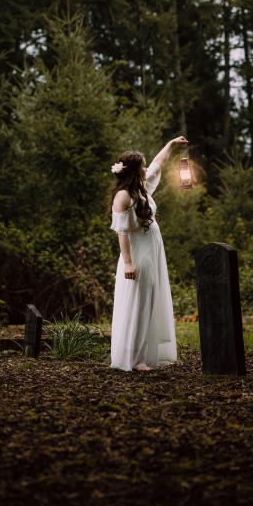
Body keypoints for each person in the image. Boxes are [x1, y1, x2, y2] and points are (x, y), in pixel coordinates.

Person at [108, 137, 188, 372]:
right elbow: (122, 232)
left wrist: (172, 145)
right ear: (133, 170)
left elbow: (158, 163)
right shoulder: (123, 196)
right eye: (141, 166)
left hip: (152, 252)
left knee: (151, 298)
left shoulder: (142, 190)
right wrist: (128, 263)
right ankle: (135, 359)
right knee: (139, 302)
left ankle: (149, 353)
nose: (145, 168)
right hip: (138, 255)